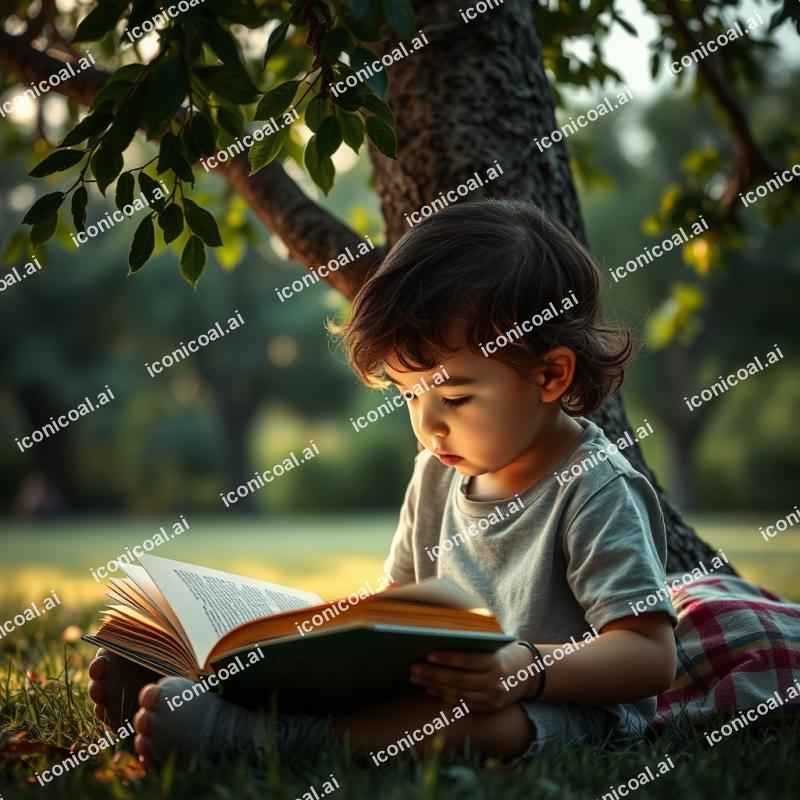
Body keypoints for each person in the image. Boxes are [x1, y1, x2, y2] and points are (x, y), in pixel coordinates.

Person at [88, 197, 677, 768]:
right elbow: (400, 604)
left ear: (550, 374)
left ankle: (267, 740)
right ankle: (178, 685)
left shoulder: (595, 489)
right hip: (440, 686)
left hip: (557, 707)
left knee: (475, 725)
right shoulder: (437, 474)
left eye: (454, 397)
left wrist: (527, 669)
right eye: (409, 395)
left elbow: (649, 655)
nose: (428, 425)